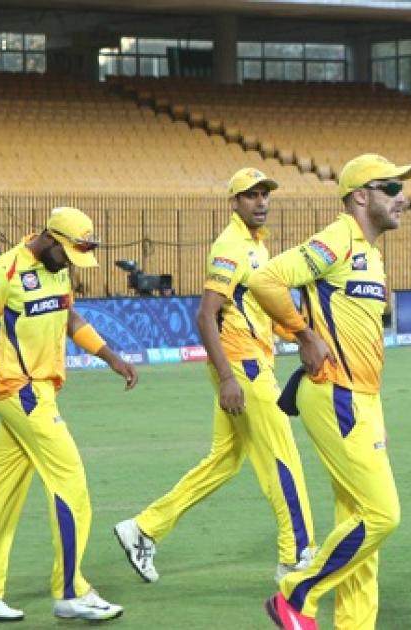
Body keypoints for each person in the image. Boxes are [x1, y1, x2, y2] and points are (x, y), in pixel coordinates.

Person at [114, 168, 315, 585]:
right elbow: (205, 315)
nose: (261, 202)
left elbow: (256, 309)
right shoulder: (230, 246)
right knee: (282, 456)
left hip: (248, 362)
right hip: (242, 368)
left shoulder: (256, 245)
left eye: (265, 194)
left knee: (225, 460)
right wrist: (227, 378)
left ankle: (144, 529)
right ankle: (296, 555)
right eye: (251, 195)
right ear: (234, 202)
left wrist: (299, 334)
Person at [0, 207, 138, 622]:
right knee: (71, 484)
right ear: (49, 238)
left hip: (41, 390)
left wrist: (111, 357)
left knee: (2, 496)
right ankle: (71, 592)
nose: (70, 263)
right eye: (67, 254)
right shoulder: (4, 271)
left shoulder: (58, 267)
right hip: (22, 392)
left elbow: (70, 318)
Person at [252, 154, 411, 630]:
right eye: (390, 188)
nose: (402, 197)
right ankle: (295, 596)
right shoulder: (338, 238)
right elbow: (265, 279)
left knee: (358, 521)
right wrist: (303, 335)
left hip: (362, 398)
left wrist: (374, 409)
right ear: (360, 196)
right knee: (382, 515)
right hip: (336, 392)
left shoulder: (371, 253)